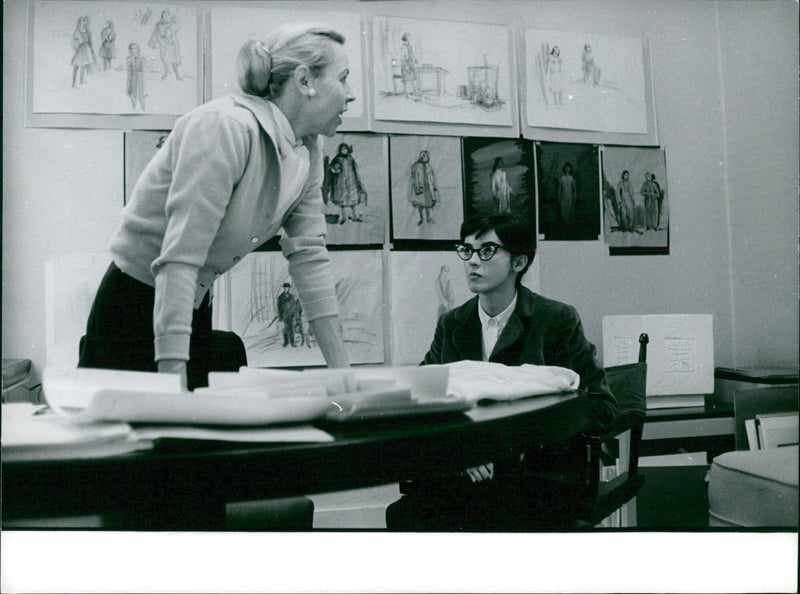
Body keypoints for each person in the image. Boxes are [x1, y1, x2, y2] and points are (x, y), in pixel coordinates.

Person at [79, 23, 355, 391]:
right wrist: (173, 387)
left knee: (188, 440)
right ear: (305, 80)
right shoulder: (223, 127)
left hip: (189, 306)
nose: (350, 96)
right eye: (344, 79)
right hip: (134, 307)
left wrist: (346, 379)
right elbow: (179, 260)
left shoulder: (307, 148)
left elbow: (310, 257)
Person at [386, 213, 616, 531]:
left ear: (519, 262)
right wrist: (463, 451)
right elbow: (424, 398)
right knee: (407, 515)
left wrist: (503, 446)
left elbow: (602, 407)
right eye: (467, 250)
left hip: (534, 477)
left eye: (487, 250)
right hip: (465, 473)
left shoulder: (556, 320)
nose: (472, 262)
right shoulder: (452, 323)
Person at [327, 143, 366, 224]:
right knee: (342, 200)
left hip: (351, 182)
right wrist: (335, 170)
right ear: (340, 150)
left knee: (353, 200)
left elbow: (355, 169)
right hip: (341, 183)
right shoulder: (337, 159)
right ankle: (343, 217)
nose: (344, 151)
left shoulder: (350, 158)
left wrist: (357, 179)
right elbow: (332, 168)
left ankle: (354, 216)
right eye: (342, 149)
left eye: (345, 149)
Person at [149, 9, 183, 81]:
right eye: (164, 16)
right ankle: (166, 73)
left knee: (174, 60)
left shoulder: (172, 24)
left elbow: (177, 28)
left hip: (172, 45)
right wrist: (163, 44)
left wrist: (171, 26)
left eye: (167, 16)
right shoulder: (159, 26)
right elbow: (157, 36)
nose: (166, 18)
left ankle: (177, 74)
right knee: (165, 60)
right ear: (162, 17)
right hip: (163, 45)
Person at [408, 150, 439, 225]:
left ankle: (428, 218)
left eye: (427, 156)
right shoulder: (417, 167)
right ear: (421, 157)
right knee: (420, 205)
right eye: (424, 156)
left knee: (428, 204)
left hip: (428, 188)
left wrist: (434, 187)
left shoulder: (429, 167)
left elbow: (432, 178)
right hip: (421, 188)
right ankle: (421, 219)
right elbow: (415, 178)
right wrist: (417, 187)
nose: (426, 158)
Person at [71, 16, 95, 88]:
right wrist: (76, 49)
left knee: (84, 65)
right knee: (76, 66)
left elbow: (89, 41)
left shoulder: (86, 31)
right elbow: (75, 41)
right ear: (80, 22)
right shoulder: (77, 31)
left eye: (85, 21)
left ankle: (81, 80)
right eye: (83, 21)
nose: (84, 23)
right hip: (80, 48)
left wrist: (91, 50)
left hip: (86, 48)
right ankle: (73, 83)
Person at [126, 42, 146, 111]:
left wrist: (139, 77)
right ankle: (133, 110)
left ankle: (143, 110)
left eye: (135, 48)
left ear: (138, 49)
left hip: (139, 78)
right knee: (132, 95)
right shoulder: (129, 59)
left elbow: (143, 70)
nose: (133, 50)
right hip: (132, 78)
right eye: (131, 49)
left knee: (141, 96)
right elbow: (128, 71)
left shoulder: (142, 59)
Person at [558, 162, 577, 227]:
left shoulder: (571, 178)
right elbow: (559, 189)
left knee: (570, 210)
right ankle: (565, 223)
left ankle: (570, 224)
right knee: (564, 210)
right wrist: (559, 197)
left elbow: (574, 189)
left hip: (570, 197)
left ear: (570, 169)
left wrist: (574, 198)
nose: (567, 169)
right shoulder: (562, 178)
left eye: (568, 168)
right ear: (564, 168)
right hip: (563, 197)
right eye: (566, 168)